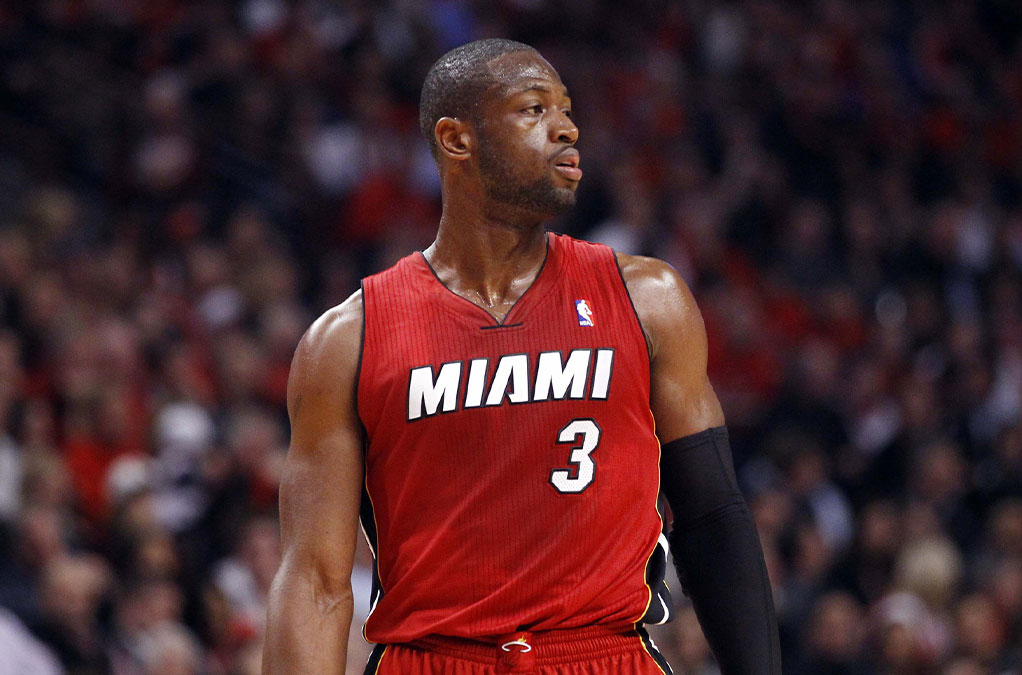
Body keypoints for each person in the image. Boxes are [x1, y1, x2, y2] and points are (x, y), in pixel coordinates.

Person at [263, 39, 780, 675]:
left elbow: (712, 515)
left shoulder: (648, 299)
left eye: (566, 109)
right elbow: (314, 580)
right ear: (458, 140)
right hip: (435, 659)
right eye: (534, 109)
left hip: (602, 654)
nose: (567, 128)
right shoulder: (348, 339)